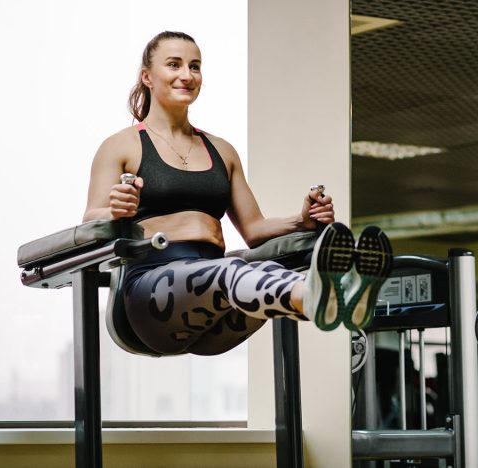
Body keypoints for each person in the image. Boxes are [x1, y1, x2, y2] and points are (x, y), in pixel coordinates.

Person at [83, 31, 392, 355]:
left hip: (218, 311)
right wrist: (115, 210)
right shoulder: (122, 145)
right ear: (147, 75)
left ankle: (342, 299)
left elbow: (255, 230)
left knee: (265, 270)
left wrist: (301, 221)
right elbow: (91, 217)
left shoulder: (222, 150)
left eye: (195, 66)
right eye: (174, 65)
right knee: (236, 271)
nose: (187, 75)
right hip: (153, 298)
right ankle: (320, 296)